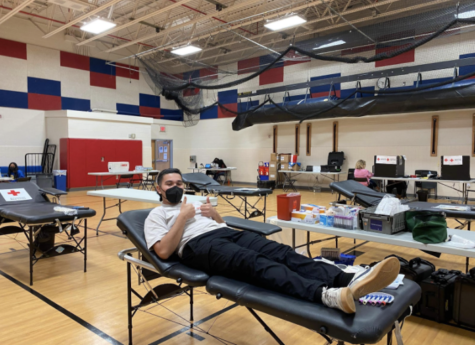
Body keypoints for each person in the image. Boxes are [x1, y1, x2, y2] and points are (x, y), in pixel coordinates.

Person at [144, 168, 400, 314]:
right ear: (159, 189)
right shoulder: (155, 214)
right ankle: (323, 294)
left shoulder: (195, 202)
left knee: (280, 251)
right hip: (197, 247)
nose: (176, 186)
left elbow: (220, 226)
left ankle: (345, 279)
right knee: (253, 262)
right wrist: (182, 218)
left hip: (223, 233)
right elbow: (164, 252)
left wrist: (214, 214)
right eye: (169, 183)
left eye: (179, 182)